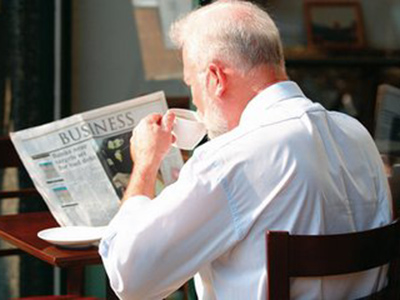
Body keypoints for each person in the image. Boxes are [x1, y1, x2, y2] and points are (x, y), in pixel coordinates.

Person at [99, 1, 392, 299]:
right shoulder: (357, 135)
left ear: (215, 79)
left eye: (191, 83)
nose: (194, 100)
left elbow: (129, 279)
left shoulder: (229, 159)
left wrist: (146, 163)